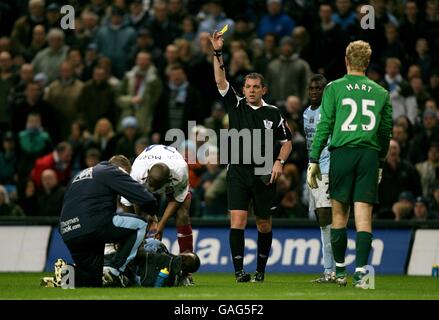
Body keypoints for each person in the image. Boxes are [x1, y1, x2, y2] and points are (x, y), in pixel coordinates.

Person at [307, 40, 393, 288]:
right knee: (364, 217)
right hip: (368, 154)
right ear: (367, 63)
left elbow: (324, 126)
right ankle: (362, 274)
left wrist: (314, 159)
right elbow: (385, 132)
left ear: (346, 60)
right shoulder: (381, 92)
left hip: (342, 154)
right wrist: (380, 162)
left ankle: (341, 272)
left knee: (338, 214)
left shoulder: (334, 88)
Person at [209, 29, 292, 283]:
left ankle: (261, 271)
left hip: (264, 172)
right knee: (238, 220)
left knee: (263, 224)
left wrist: (279, 161)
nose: (251, 90)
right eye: (247, 86)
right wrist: (217, 51)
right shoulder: (235, 104)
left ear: (263, 90)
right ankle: (238, 272)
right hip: (238, 171)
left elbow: (287, 142)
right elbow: (221, 80)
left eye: (256, 87)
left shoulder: (274, 113)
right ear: (243, 89)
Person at [59, 155, 158, 287]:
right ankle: (115, 269)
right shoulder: (112, 171)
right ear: (123, 170)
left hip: (68, 231)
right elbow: (146, 198)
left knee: (93, 279)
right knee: (141, 224)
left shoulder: (80, 175)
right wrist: (152, 211)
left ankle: (68, 274)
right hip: (93, 223)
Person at [120, 145, 194, 257]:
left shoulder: (180, 173)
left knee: (182, 214)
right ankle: (131, 259)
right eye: (151, 186)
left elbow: (177, 199)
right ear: (148, 173)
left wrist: (161, 225)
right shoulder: (136, 173)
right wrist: (141, 221)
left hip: (172, 166)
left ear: (169, 180)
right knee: (133, 220)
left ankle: (186, 260)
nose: (153, 190)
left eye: (156, 188)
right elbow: (128, 202)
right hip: (145, 169)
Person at [303, 74, 336, 283]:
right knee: (321, 220)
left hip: (328, 168)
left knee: (326, 218)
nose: (315, 92)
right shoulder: (306, 113)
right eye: (312, 89)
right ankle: (330, 269)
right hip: (313, 170)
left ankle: (331, 270)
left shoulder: (331, 111)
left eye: (319, 89)